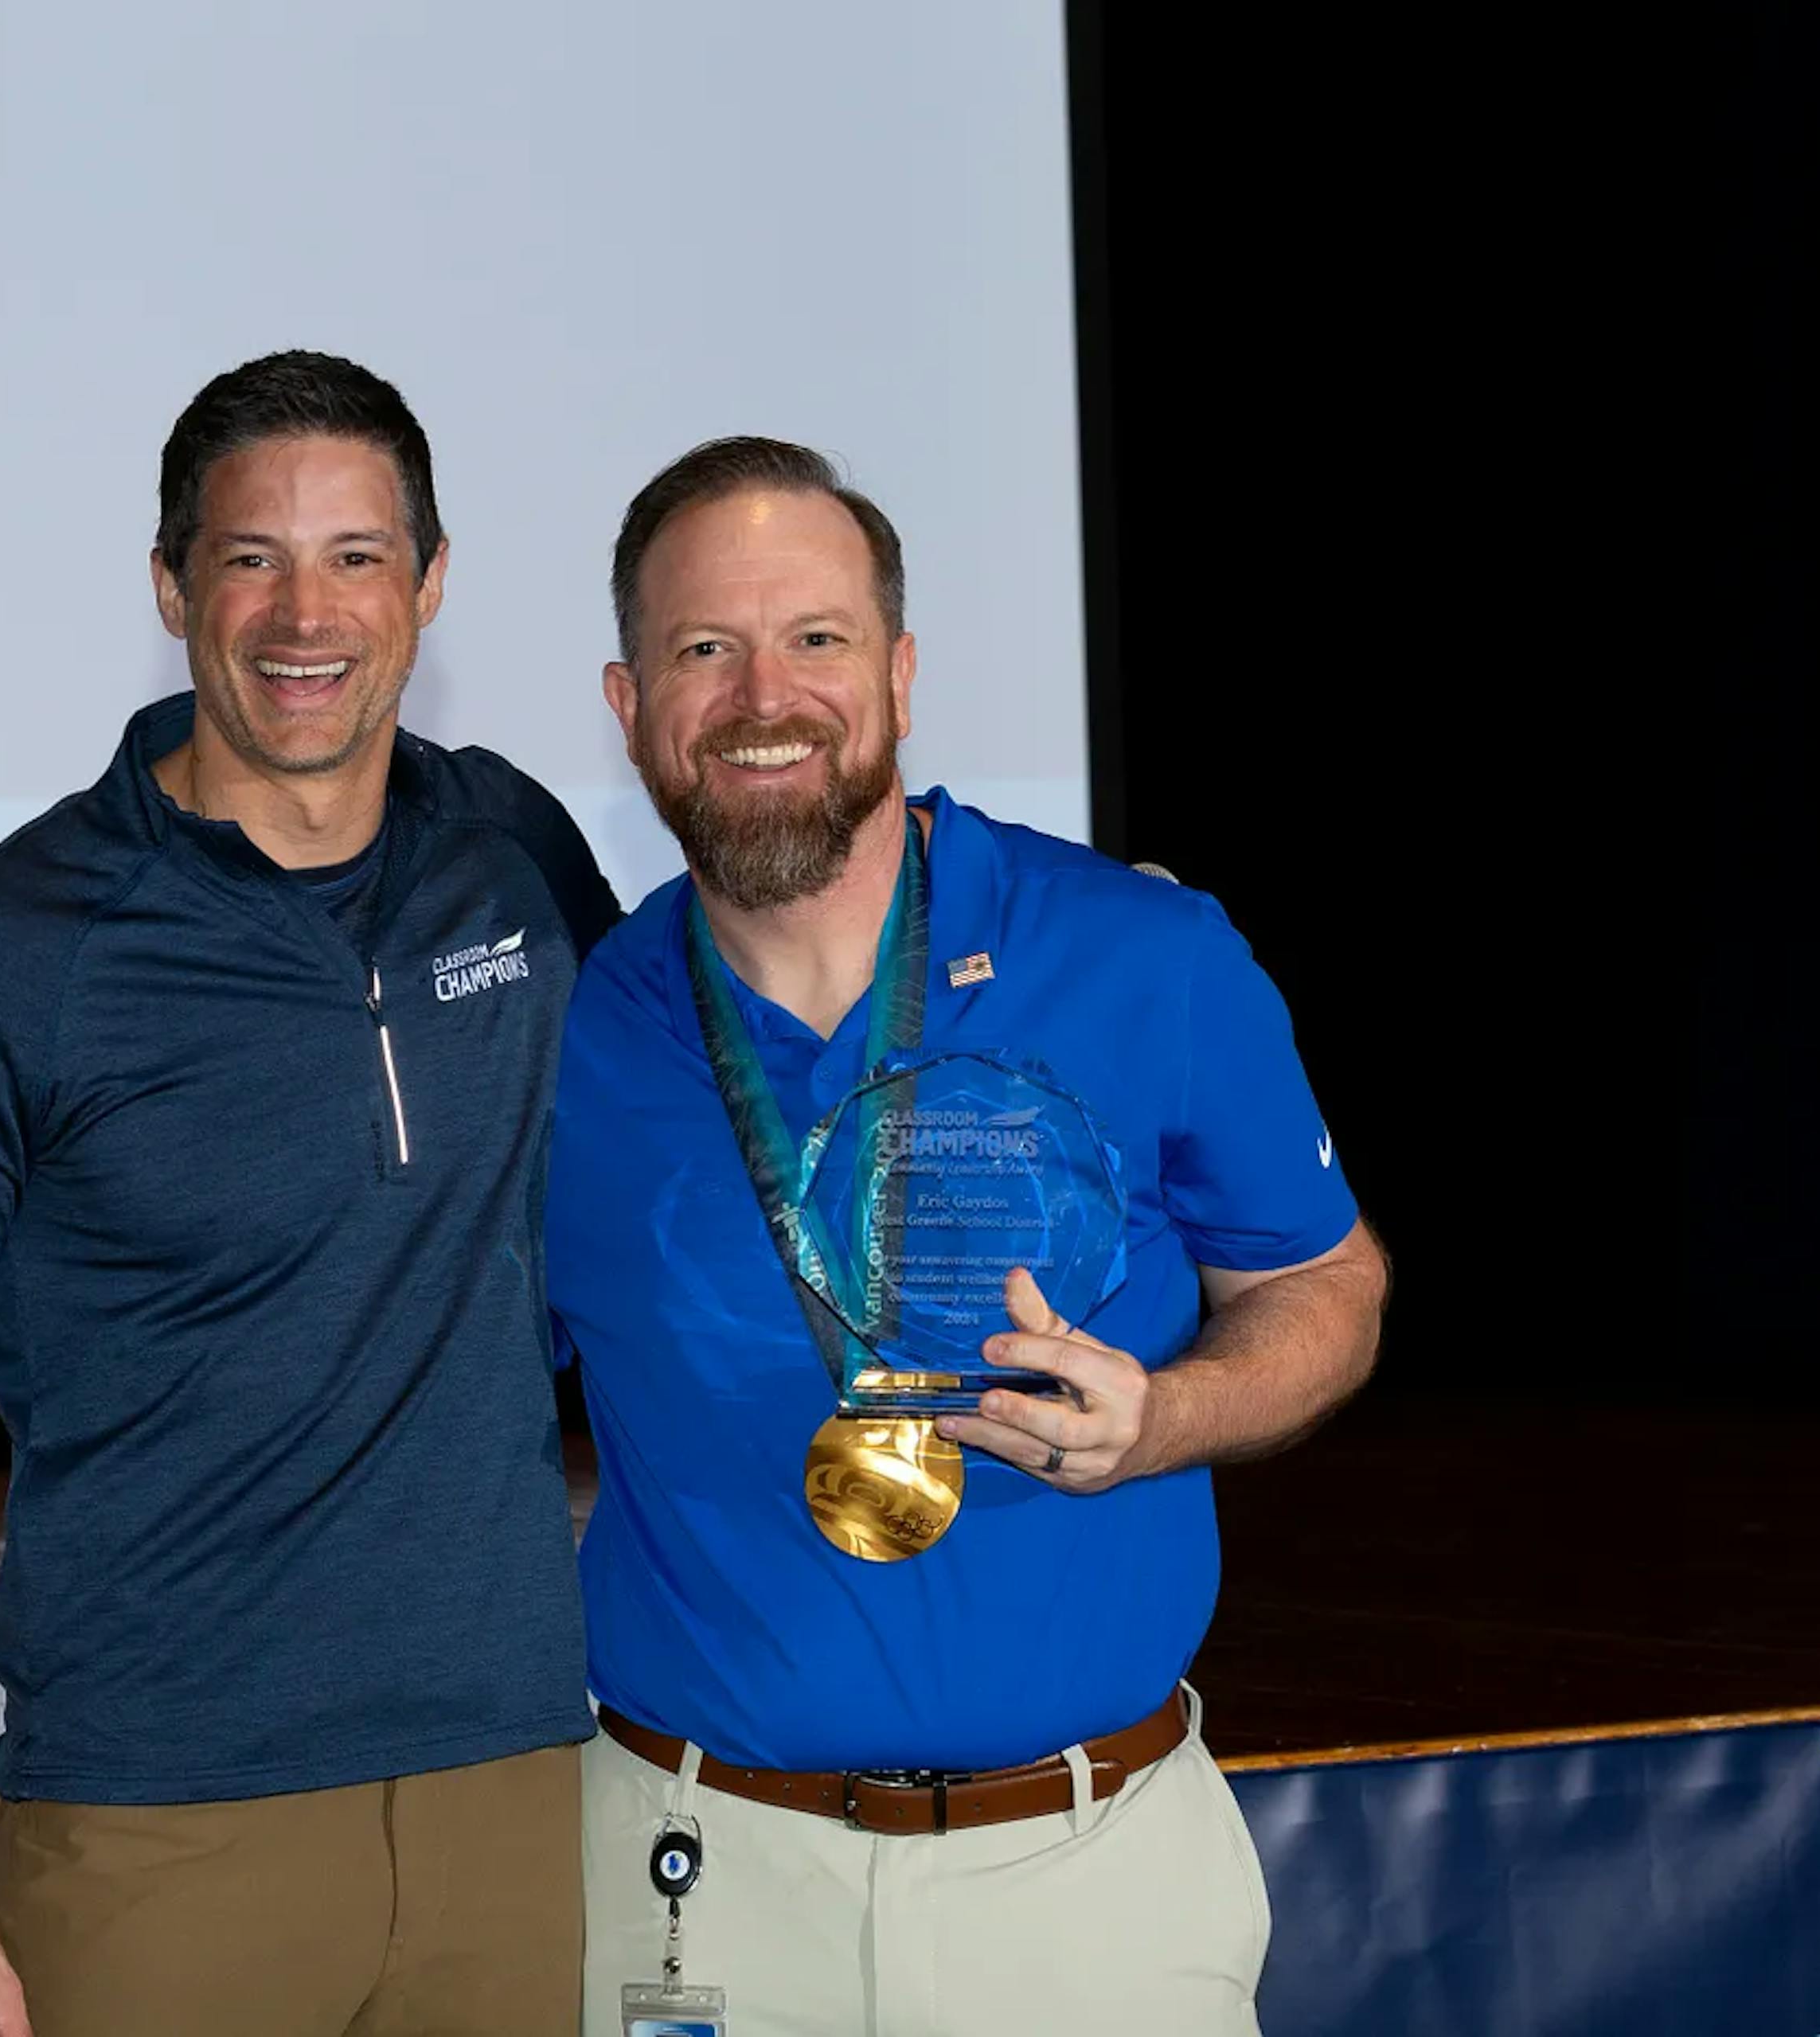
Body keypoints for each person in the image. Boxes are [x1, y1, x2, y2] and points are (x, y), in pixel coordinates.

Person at [0, 351, 618, 2037]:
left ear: (431, 582)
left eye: (358, 555)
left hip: (521, 1804)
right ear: (173, 586)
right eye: (251, 557)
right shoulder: (1, 940)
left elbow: (714, 1064)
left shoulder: (513, 854)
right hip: (157, 1833)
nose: (303, 611)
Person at [547, 435, 1388, 2035]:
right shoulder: (574, 1031)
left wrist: (1173, 1417)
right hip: (695, 1883)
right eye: (701, 648)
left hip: (1095, 1888)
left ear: (903, 671)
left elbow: (1322, 1280)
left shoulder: (1146, 951)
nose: (761, 694)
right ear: (628, 700)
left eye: (816, 639)